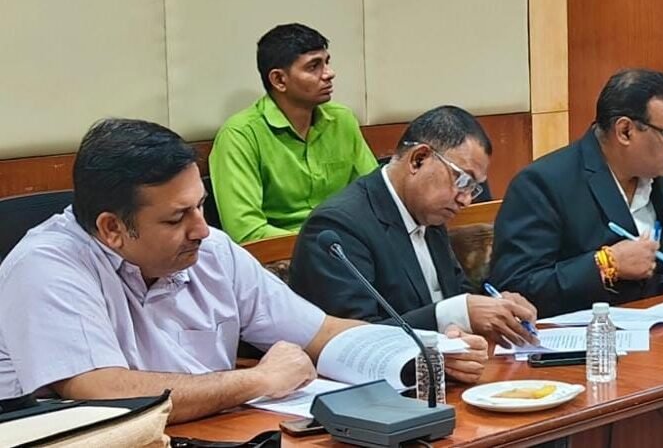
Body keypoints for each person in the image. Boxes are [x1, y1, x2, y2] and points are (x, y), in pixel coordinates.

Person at [0, 119, 487, 424]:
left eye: (200, 206)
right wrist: (257, 380)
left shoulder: (212, 250)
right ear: (112, 229)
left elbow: (320, 332)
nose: (201, 230)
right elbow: (103, 394)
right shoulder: (47, 267)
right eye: (177, 217)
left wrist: (426, 349)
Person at [290, 106, 539, 348]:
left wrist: (495, 306)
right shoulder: (338, 226)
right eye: (462, 180)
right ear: (419, 160)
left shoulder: (430, 214)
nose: (466, 200)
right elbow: (354, 341)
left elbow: (455, 294)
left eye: (473, 188)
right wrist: (457, 312)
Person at [489, 69, 663, 318]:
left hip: (655, 327)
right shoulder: (543, 184)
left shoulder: (657, 176)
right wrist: (606, 264)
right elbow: (516, 287)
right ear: (625, 131)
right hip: (578, 333)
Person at [210, 23, 378, 244]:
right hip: (282, 254)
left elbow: (376, 197)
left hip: (348, 244)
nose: (329, 74)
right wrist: (321, 244)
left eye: (327, 62)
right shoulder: (240, 135)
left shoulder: (342, 120)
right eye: (313, 66)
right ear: (279, 80)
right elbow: (247, 232)